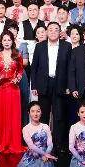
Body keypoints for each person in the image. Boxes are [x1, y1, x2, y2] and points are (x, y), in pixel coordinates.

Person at [30, 21, 71, 156]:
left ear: (60, 32)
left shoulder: (67, 46)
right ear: (46, 32)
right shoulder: (40, 46)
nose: (53, 32)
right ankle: (42, 144)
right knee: (43, 116)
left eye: (56, 29)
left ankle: (59, 146)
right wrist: (34, 85)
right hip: (43, 85)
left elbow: (70, 68)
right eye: (50, 29)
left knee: (59, 117)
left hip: (60, 85)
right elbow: (34, 68)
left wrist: (69, 86)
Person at [7, 103, 60, 167]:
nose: (35, 114)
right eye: (33, 111)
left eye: (38, 111)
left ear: (41, 112)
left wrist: (46, 154)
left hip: (45, 156)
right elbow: (31, 146)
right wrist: (45, 154)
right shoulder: (26, 128)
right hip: (32, 156)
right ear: (29, 113)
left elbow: (50, 144)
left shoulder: (45, 126)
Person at [0, 31, 25, 155]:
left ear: (12, 41)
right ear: (1, 42)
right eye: (4, 40)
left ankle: (12, 143)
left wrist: (17, 79)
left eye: (9, 40)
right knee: (0, 116)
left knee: (12, 116)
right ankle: (0, 142)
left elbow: (20, 70)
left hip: (13, 89)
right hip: (0, 89)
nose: (6, 42)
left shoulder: (18, 55)